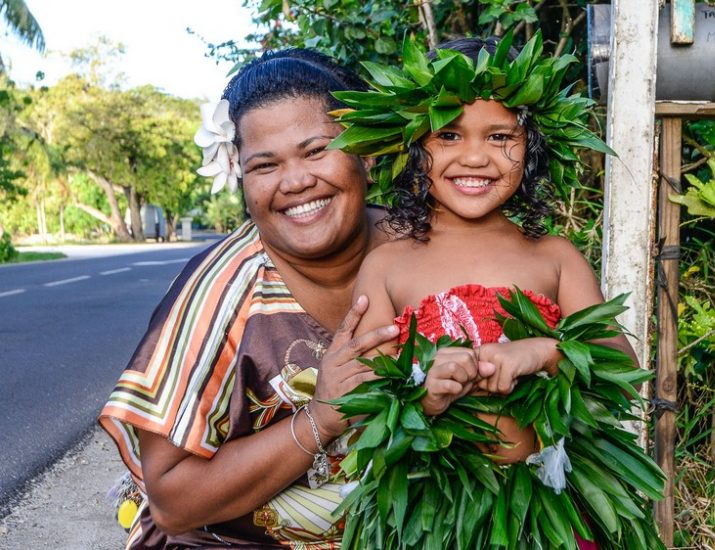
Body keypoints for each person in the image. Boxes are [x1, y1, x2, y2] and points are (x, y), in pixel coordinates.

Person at [99, 48, 479, 549]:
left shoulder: (435, 250)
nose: (296, 181)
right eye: (265, 165)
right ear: (240, 177)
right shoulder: (220, 291)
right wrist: (321, 417)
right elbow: (172, 501)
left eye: (317, 150)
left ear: (365, 153)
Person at [334, 36, 649, 549]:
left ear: (533, 145)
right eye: (449, 135)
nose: (476, 157)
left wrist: (546, 352)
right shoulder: (387, 266)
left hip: (551, 514)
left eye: (501, 136)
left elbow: (621, 376)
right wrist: (424, 393)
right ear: (413, 146)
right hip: (435, 523)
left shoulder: (554, 257)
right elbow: (367, 404)